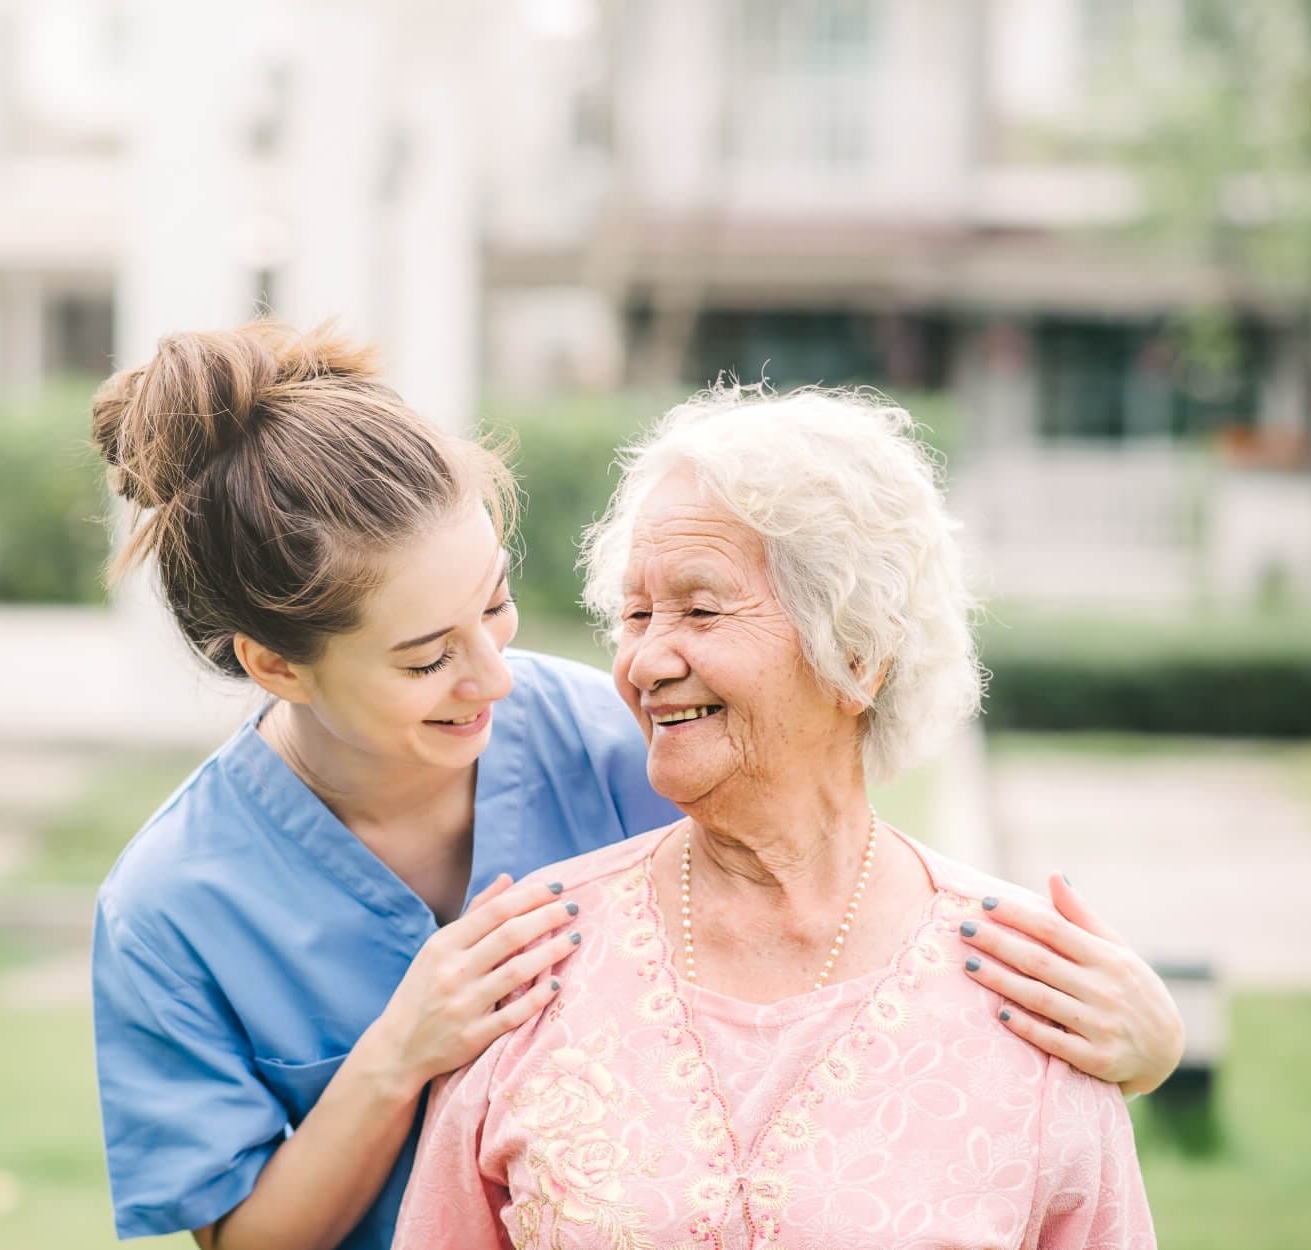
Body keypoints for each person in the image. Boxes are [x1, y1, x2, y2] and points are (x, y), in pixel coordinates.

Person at [88, 324, 1179, 1250]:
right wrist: (400, 1049)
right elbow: (237, 1236)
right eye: (428, 658)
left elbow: (818, 840)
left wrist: (1139, 1043)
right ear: (276, 666)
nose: (494, 674)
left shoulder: (614, 735)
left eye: (498, 603)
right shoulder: (171, 906)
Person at [392, 385, 1156, 1249]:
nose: (645, 659)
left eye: (701, 609)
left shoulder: (1030, 990)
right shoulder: (535, 954)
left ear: (858, 654)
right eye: (636, 615)